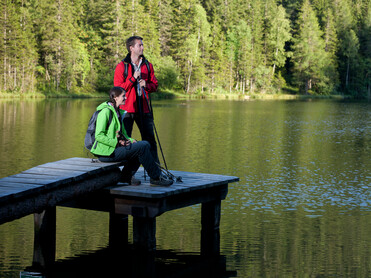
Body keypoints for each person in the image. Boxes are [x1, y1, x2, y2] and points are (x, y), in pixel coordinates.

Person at [90, 87, 173, 187]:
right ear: (116, 98)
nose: (126, 98)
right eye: (123, 96)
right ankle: (156, 178)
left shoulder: (118, 112)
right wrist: (117, 142)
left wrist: (131, 140)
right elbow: (98, 136)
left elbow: (124, 134)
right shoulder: (105, 112)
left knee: (143, 144)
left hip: (113, 149)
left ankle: (126, 176)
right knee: (142, 147)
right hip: (106, 153)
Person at [114, 36, 159, 164]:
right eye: (139, 45)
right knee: (125, 142)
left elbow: (154, 86)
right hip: (126, 110)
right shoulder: (122, 66)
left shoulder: (148, 65)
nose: (142, 47)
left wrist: (147, 85)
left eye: (142, 45)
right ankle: (128, 175)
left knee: (150, 140)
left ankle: (156, 172)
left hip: (144, 109)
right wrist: (132, 79)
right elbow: (117, 89)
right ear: (131, 48)